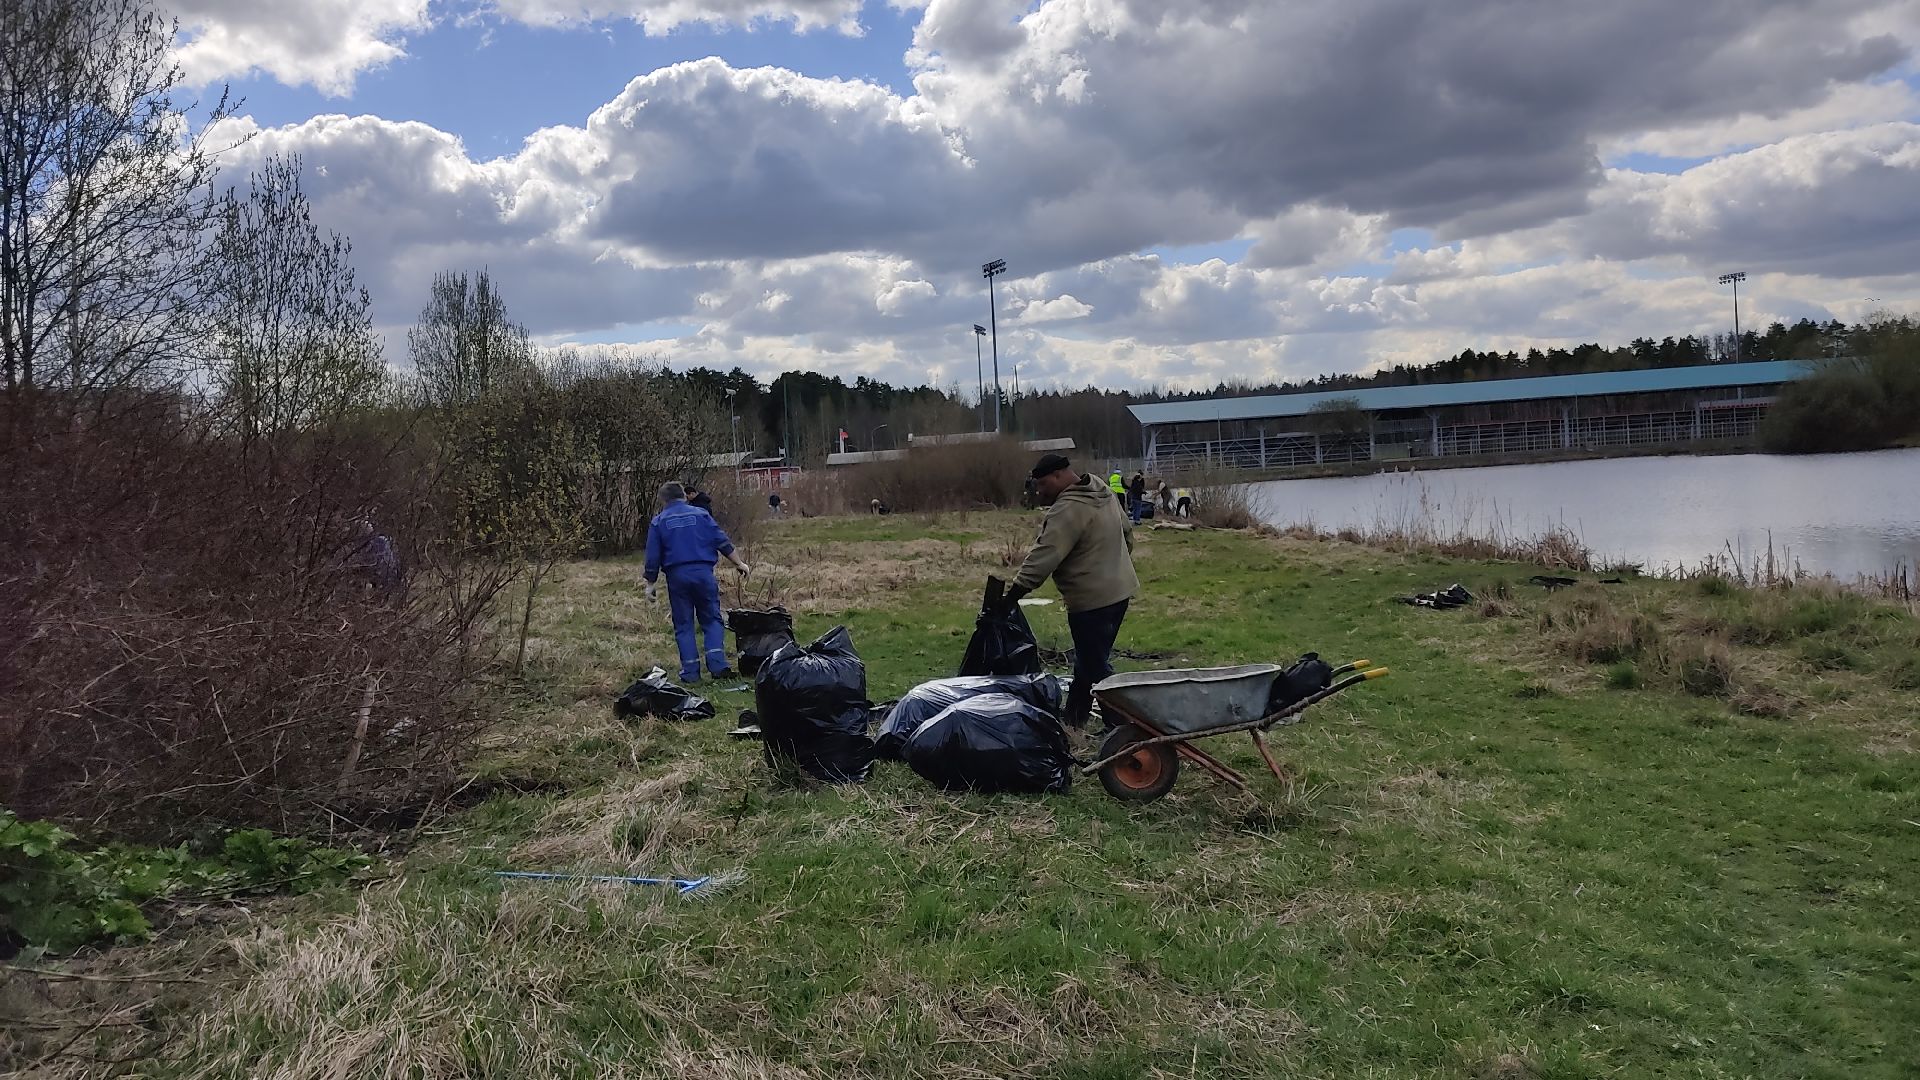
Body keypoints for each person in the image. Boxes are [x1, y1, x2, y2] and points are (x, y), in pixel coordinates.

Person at [1004, 454, 1138, 729]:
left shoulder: (1067, 508)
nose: (1040, 491)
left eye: (1042, 484)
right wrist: (1115, 566)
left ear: (1058, 476)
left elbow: (1045, 555)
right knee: (1088, 661)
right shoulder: (1100, 489)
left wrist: (1013, 594)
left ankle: (1125, 731)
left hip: (1091, 601)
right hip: (1120, 591)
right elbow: (1127, 533)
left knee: (1096, 667)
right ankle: (1073, 723)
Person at [645, 482, 750, 684]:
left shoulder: (659, 522)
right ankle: (718, 666)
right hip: (703, 573)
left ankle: (691, 672)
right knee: (711, 619)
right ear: (684, 496)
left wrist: (650, 583)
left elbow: (653, 555)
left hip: (677, 577)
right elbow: (721, 541)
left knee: (684, 624)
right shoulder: (702, 515)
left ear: (663, 500)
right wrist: (739, 563)